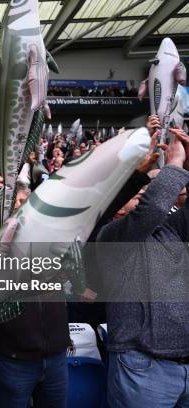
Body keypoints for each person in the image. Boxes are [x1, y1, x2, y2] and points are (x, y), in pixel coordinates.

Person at [97, 126, 189, 407]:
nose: (143, 195)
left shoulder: (171, 230)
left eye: (147, 191)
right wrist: (173, 165)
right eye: (139, 192)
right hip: (142, 366)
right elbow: (150, 210)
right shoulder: (111, 236)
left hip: (184, 362)